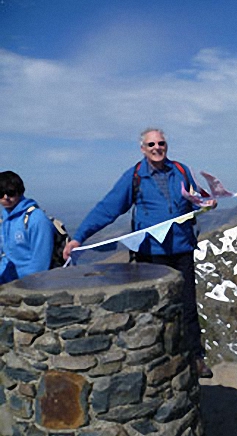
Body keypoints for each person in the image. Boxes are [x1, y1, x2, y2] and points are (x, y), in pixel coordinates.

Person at [62, 128, 215, 378]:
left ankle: (194, 357)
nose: (157, 147)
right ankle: (158, 359)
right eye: (151, 144)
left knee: (187, 305)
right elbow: (108, 208)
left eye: (161, 143)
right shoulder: (135, 176)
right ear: (143, 149)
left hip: (182, 250)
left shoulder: (181, 170)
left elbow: (195, 200)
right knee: (155, 308)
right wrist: (80, 236)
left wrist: (207, 203)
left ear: (167, 145)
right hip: (150, 253)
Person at [0, 171, 55, 284]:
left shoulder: (36, 219)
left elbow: (41, 262)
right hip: (9, 281)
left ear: (20, 191)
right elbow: (6, 255)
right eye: (0, 193)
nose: (6, 197)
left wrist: (27, 286)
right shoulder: (5, 219)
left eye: (10, 192)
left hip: (29, 285)